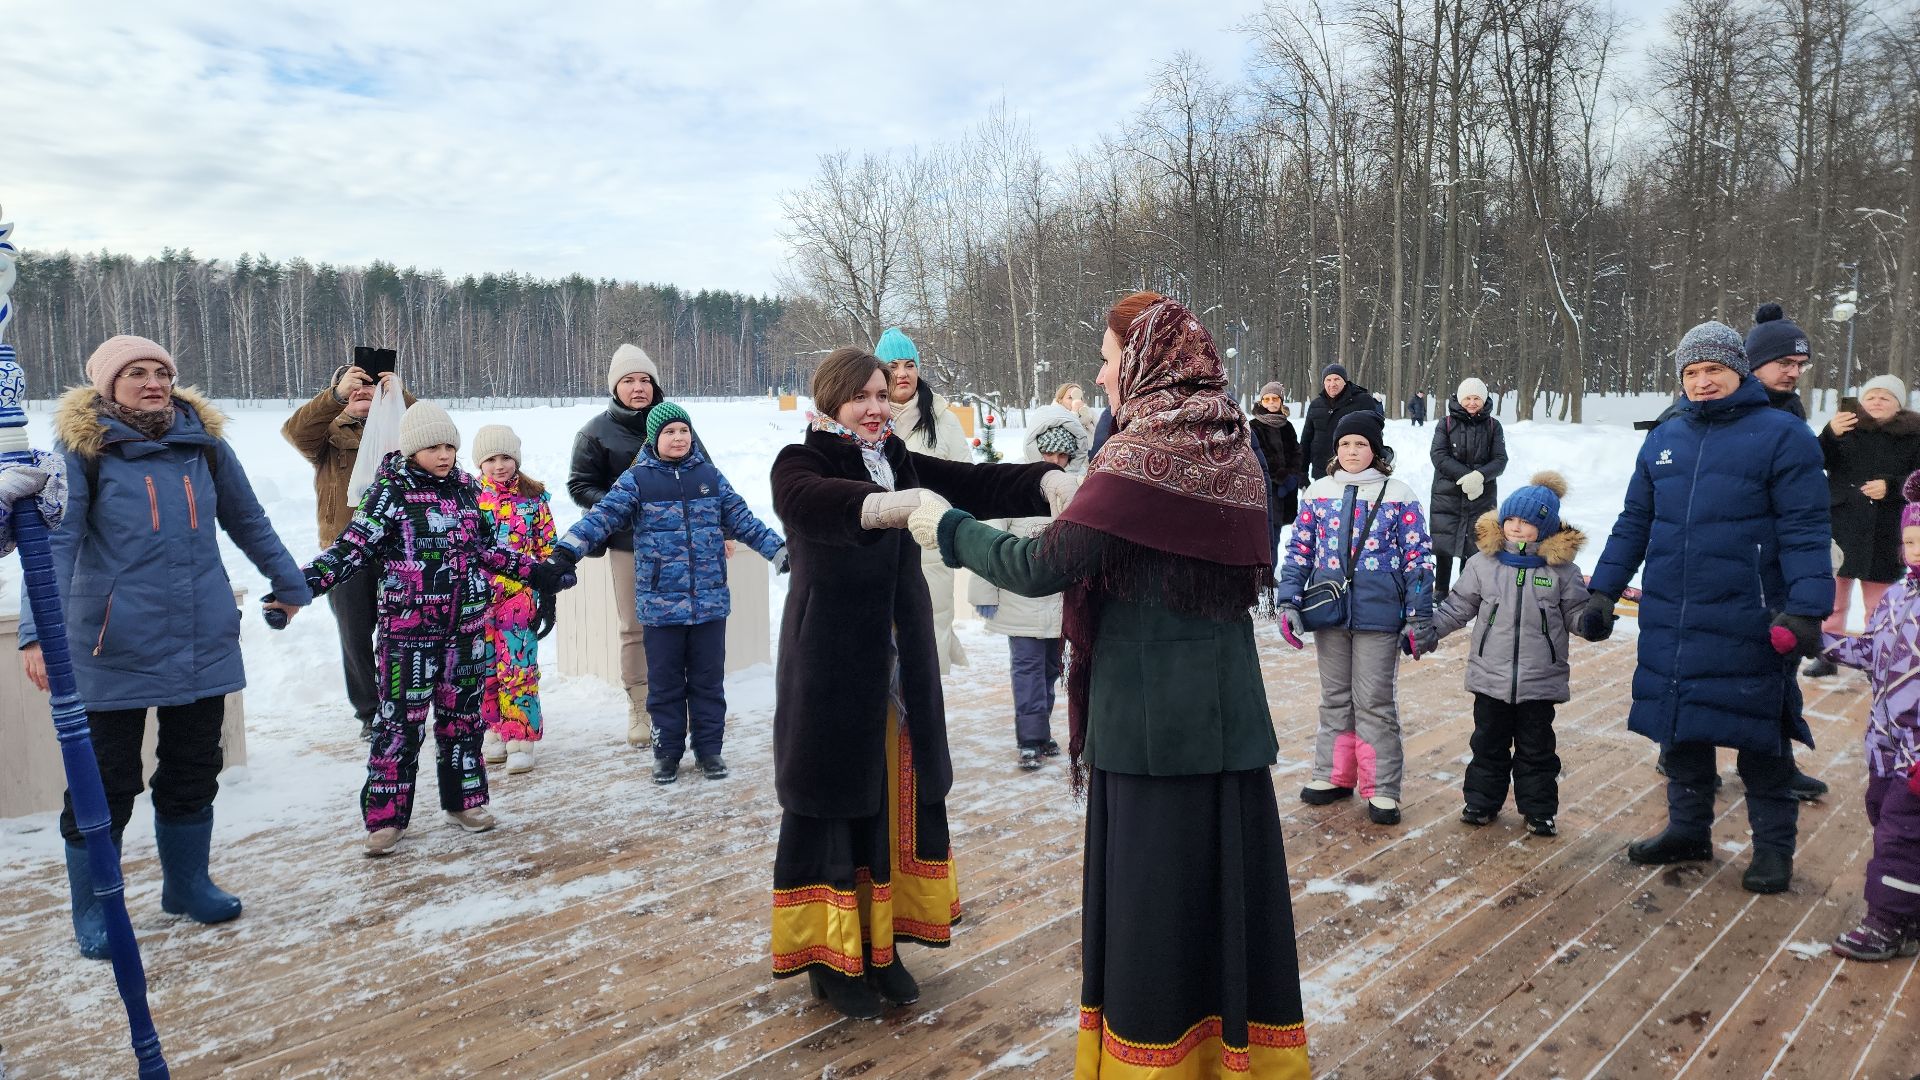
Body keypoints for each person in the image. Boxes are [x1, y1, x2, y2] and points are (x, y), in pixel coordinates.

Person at [920, 292, 1309, 1077]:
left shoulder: (1138, 456)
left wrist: (946, 525)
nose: (1100, 374)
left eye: (1107, 356)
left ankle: (1155, 1062)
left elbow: (1040, 565)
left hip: (1148, 725)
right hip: (1228, 719)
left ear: (1144, 360)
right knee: (1224, 902)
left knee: (1156, 912)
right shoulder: (1230, 439)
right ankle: (1238, 1058)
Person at [764, 346, 1069, 1020]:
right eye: (862, 398)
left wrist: (1043, 482)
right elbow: (811, 502)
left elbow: (971, 482)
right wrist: (887, 506)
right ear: (830, 402)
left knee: (895, 798)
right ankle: (828, 959)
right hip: (833, 667)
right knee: (835, 801)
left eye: (882, 395)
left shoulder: (894, 455)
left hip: (900, 663)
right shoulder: (802, 458)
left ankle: (881, 947)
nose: (877, 407)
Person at [20, 335, 312, 957]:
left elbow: (249, 520)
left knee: (191, 771)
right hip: (110, 646)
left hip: (200, 638)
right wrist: (35, 634)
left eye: (161, 372)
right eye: (135, 373)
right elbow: (54, 547)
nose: (152, 382)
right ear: (106, 385)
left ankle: (186, 885)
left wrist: (289, 583)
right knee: (105, 783)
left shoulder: (203, 446)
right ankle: (97, 911)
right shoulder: (81, 452)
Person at [1581, 321, 1831, 894]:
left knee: (1760, 737)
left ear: (1738, 370)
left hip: (1752, 613)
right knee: (1682, 728)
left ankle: (1773, 851)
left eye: (1712, 370)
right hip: (1674, 610)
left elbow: (1806, 528)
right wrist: (1603, 592)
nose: (1701, 382)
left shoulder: (1781, 435)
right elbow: (1635, 522)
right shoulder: (1664, 438)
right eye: (1690, 372)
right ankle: (1688, 831)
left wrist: (1807, 609)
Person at [302, 402, 566, 857]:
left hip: (465, 629)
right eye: (431, 447)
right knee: (399, 726)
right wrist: (299, 584)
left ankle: (465, 801)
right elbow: (353, 547)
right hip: (409, 636)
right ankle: (386, 819)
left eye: (449, 446)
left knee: (463, 720)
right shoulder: (389, 493)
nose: (443, 455)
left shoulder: (466, 490)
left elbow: (486, 549)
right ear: (410, 449)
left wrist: (537, 572)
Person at [546, 402, 786, 785]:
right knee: (665, 685)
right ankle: (667, 754)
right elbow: (601, 518)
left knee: (708, 682)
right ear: (654, 438)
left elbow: (742, 519)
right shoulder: (638, 480)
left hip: (709, 604)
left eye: (684, 431)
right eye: (669, 432)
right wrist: (565, 551)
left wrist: (779, 551)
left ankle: (710, 750)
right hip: (660, 606)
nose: (678, 438)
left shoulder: (709, 476)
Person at [1276, 409, 1435, 826]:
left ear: (1375, 449)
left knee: (1374, 701)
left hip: (1379, 614)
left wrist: (1419, 615)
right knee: (1335, 698)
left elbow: (1419, 557)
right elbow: (1299, 552)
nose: (1351, 451)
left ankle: (1381, 787)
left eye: (1360, 444)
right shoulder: (1319, 492)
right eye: (1345, 444)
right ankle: (1334, 774)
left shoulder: (1398, 493)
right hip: (1329, 612)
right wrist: (1289, 601)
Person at [1432, 472, 1592, 836]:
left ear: (1545, 528)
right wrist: (1427, 633)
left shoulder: (1562, 572)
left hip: (1539, 679)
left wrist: (1594, 621)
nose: (1517, 528)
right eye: (1511, 520)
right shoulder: (1483, 564)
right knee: (1487, 743)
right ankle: (1481, 802)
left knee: (1537, 750)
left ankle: (1538, 810)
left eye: (1527, 522)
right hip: (1490, 675)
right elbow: (1457, 607)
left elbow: (1576, 616)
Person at [281, 360, 414, 740]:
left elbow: (435, 434)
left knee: (403, 632)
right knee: (355, 635)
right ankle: (371, 713)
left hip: (399, 551)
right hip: (345, 553)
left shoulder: (401, 429)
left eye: (370, 384)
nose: (361, 390)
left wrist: (398, 396)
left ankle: (405, 704)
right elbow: (295, 431)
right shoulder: (327, 434)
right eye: (351, 386)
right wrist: (336, 395)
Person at [1819, 470, 1920, 960]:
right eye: (1908, 540)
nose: (1914, 549)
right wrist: (1810, 640)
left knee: (1901, 835)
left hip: (1919, 756)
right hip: (1886, 743)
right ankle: (1911, 910)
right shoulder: (1899, 597)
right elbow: (1871, 652)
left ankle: (1887, 923)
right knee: (1884, 818)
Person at [568, 343, 668, 747]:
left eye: (645, 379)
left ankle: (674, 704)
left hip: (676, 540)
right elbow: (579, 485)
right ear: (615, 387)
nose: (638, 387)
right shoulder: (595, 432)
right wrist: (621, 502)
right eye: (629, 380)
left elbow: (706, 475)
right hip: (627, 542)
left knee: (679, 624)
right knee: (635, 627)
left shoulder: (675, 423)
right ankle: (640, 708)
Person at [970, 419, 1083, 770]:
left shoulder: (1077, 489)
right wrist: (984, 593)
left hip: (1060, 603)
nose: (1055, 460)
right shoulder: (1015, 488)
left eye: (1062, 454)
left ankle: (1041, 730)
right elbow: (990, 541)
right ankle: (1030, 738)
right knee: (1028, 669)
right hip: (1021, 599)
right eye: (1048, 452)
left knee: (1050, 669)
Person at [1805, 375, 1920, 678]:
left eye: (1886, 397)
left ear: (1899, 405)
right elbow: (1813, 459)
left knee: (1879, 604)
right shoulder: (1846, 428)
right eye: (1871, 396)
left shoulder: (1914, 434)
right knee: (1832, 600)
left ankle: (1877, 655)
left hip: (1886, 528)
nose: (1877, 401)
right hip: (1841, 523)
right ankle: (1827, 654)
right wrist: (1829, 433)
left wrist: (1892, 487)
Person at [876, 326, 974, 675]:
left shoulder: (942, 419)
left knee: (926, 660)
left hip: (930, 554)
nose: (902, 374)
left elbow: (966, 480)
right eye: (892, 366)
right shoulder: (869, 419)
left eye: (909, 364)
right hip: (880, 554)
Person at [472, 424, 557, 775]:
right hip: (479, 599)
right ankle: (494, 729)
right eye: (491, 459)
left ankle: (521, 736)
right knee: (485, 668)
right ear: (480, 464)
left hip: (519, 599)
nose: (499, 465)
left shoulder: (534, 499)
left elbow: (547, 548)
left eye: (506, 457)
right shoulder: (470, 498)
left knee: (518, 668)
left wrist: (548, 593)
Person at [1428, 377, 1508, 601]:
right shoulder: (1445, 424)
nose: (1472, 403)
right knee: (1444, 542)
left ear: (1483, 400)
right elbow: (1438, 455)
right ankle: (1441, 590)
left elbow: (1500, 459)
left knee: (1473, 544)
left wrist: (1480, 476)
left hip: (1481, 494)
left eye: (1476, 398)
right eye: (1468, 398)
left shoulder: (1493, 426)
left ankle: (1464, 591)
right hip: (1448, 492)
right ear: (1459, 399)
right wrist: (1466, 477)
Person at [1250, 380, 1304, 567]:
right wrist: (1280, 476)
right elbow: (1259, 456)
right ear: (1261, 402)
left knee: (1276, 532)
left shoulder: (1287, 427)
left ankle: (1270, 571)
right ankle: (1260, 571)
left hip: (1284, 491)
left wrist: (1293, 476)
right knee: (1262, 532)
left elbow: (1296, 453)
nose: (1271, 402)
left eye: (1275, 399)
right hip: (1263, 489)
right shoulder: (1254, 426)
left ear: (1281, 402)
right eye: (1267, 399)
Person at [1298, 362, 1383, 480]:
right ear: (1323, 383)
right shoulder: (1315, 405)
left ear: (1345, 381)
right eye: (1328, 380)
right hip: (1321, 471)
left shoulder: (1362, 401)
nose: (1332, 384)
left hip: (1353, 471)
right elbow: (1306, 441)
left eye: (1337, 379)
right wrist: (1302, 473)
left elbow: (1375, 436)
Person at [1028, 382, 1094, 470]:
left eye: (1079, 397)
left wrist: (1089, 424)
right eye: (1070, 398)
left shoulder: (1089, 417)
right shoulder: (1052, 419)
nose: (1075, 401)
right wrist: (1074, 415)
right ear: (1060, 399)